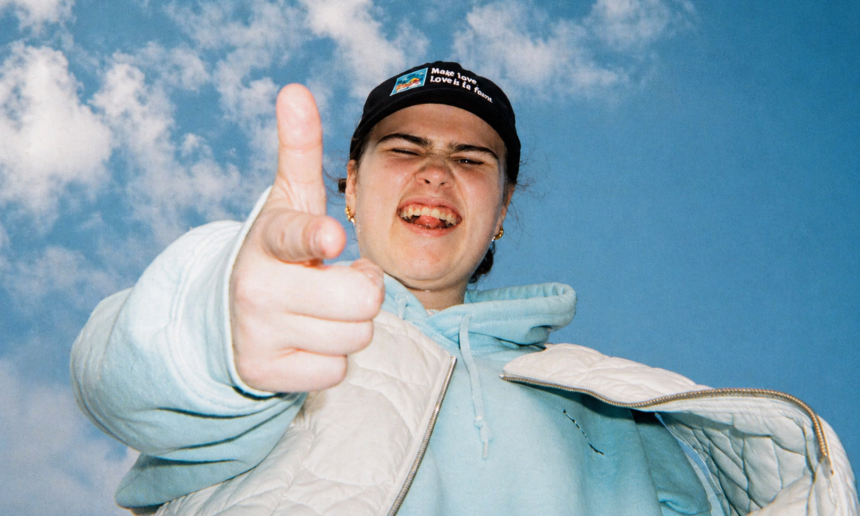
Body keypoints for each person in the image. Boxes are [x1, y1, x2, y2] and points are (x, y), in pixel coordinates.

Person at [72, 62, 858, 516]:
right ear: (348, 187)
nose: (436, 172)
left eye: (472, 158)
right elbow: (124, 376)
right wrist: (216, 334)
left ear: (503, 210)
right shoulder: (283, 338)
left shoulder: (624, 408)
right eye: (403, 147)